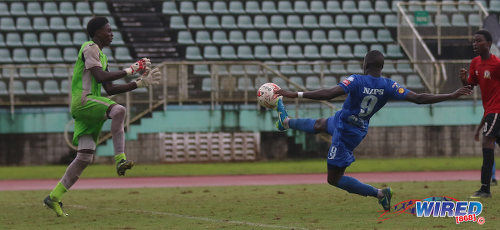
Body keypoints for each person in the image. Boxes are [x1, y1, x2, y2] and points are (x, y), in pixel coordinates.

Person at [275, 50, 472, 211]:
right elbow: (419, 98)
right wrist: (452, 94)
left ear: (365, 65)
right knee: (319, 124)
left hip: (346, 134)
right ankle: (286, 122)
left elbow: (331, 93)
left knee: (333, 179)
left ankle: (379, 193)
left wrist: (296, 94)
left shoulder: (357, 80)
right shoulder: (389, 85)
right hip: (350, 124)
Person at [44, 16, 162, 217]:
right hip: (85, 101)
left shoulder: (102, 57)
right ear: (97, 32)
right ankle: (120, 159)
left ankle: (53, 197)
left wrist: (139, 83)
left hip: (90, 106)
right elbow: (100, 77)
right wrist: (131, 69)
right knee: (119, 110)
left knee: (84, 157)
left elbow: (109, 88)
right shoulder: (90, 47)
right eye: (108, 30)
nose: (111, 34)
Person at [460, 29, 500, 198]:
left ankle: (485, 189)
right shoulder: (475, 63)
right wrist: (463, 79)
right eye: (474, 41)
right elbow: (470, 85)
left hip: (496, 110)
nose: (474, 44)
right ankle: (485, 187)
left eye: (478, 41)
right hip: (489, 110)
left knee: (487, 142)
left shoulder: (497, 64)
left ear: (489, 44)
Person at [474, 117, 498, 186]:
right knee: (490, 155)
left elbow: (486, 115)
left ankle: (491, 180)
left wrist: (478, 130)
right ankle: (492, 178)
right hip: (493, 129)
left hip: (493, 129)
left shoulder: (493, 110)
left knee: (488, 153)